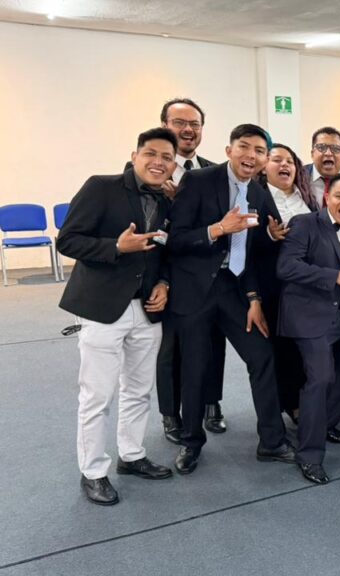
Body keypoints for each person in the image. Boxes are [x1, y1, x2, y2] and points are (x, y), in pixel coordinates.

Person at [58, 127, 178, 505]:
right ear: (134, 155)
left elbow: (166, 251)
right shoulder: (101, 187)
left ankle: (131, 454)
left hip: (148, 309)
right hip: (103, 307)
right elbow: (68, 240)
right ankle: (93, 471)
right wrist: (116, 246)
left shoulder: (168, 200)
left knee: (139, 389)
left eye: (167, 157)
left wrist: (164, 283)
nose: (158, 162)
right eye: (151, 154)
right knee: (97, 395)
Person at [167, 123, 294, 474]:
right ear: (229, 150)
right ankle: (191, 442)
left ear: (265, 160)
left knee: (262, 355)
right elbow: (175, 239)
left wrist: (254, 297)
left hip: (234, 288)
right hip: (195, 290)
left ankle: (272, 441)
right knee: (196, 368)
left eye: (259, 151)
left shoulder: (260, 194)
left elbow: (253, 250)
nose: (251, 156)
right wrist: (218, 229)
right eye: (244, 147)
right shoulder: (198, 181)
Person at [276, 174, 340, 484]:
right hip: (308, 313)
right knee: (321, 377)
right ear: (327, 197)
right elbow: (286, 267)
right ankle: (309, 454)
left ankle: (321, 424)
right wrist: (334, 277)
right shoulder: (304, 223)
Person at [152, 97, 229, 443]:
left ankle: (212, 402)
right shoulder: (150, 170)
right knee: (171, 348)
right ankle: (171, 414)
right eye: (179, 123)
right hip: (166, 274)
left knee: (213, 342)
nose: (187, 130)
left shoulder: (214, 171)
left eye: (194, 124)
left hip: (208, 274)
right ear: (164, 126)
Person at [260, 144, 317, 424]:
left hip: (308, 286)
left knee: (305, 348)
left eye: (290, 161)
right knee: (281, 350)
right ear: (264, 167)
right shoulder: (257, 198)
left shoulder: (305, 196)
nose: (285, 165)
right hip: (274, 286)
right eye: (277, 160)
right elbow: (245, 245)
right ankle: (290, 407)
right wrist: (269, 236)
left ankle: (306, 404)